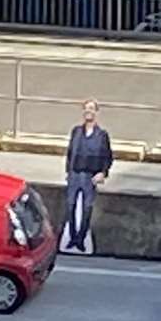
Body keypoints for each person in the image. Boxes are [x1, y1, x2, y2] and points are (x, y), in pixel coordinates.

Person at [63, 99, 113, 253]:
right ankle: (72, 238)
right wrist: (68, 171)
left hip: (89, 175)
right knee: (70, 206)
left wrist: (102, 173)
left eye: (91, 109)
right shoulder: (76, 131)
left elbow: (108, 156)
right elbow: (70, 152)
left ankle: (80, 239)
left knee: (86, 208)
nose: (88, 111)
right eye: (86, 109)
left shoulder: (102, 135)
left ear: (96, 112)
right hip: (75, 174)